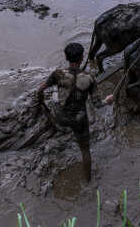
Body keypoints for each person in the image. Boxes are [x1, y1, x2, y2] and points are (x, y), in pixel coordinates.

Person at [35, 43, 113, 181]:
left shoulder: (58, 74)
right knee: (85, 150)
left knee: (54, 94)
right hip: (78, 120)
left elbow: (40, 89)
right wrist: (107, 100)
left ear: (66, 57)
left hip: (59, 117)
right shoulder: (89, 78)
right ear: (82, 58)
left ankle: (56, 124)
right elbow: (98, 104)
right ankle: (88, 180)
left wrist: (40, 101)